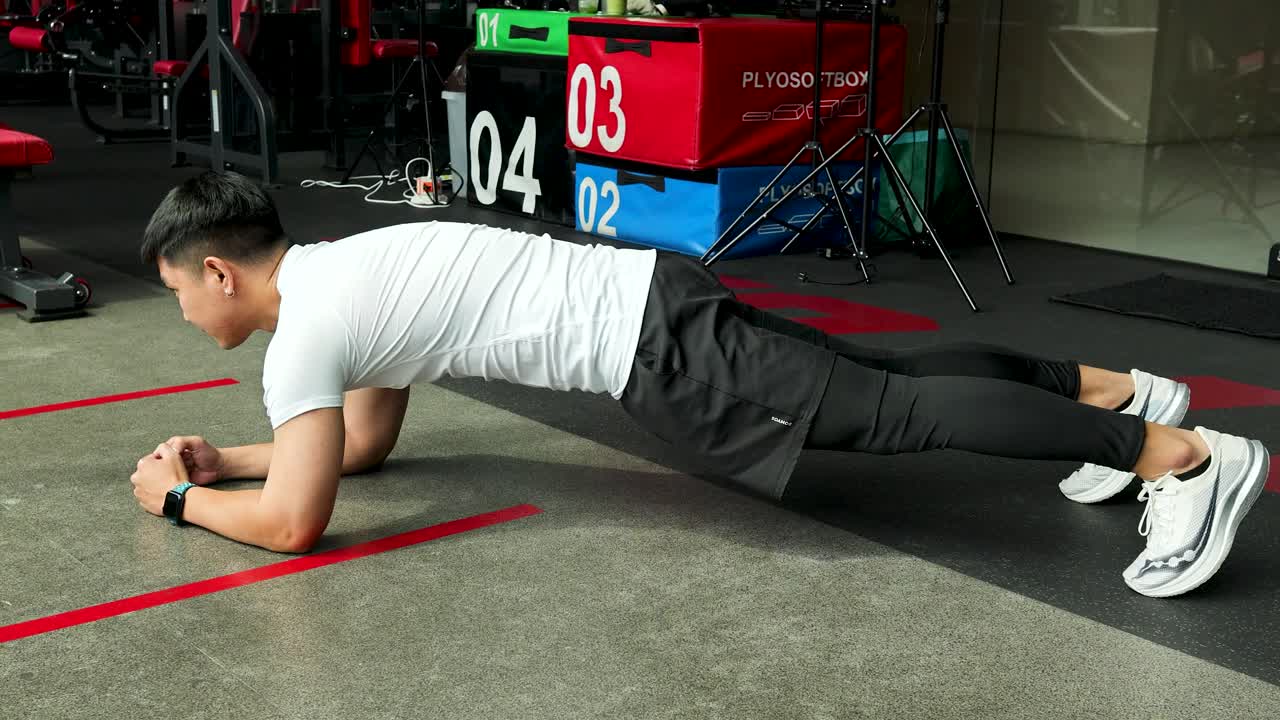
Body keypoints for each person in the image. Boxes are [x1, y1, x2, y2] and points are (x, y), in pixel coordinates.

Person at [130, 171, 1269, 599]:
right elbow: (361, 450)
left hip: (654, 350)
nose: (186, 314)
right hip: (653, 294)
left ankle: (1184, 462)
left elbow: (294, 526)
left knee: (894, 413)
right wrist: (227, 458)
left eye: (182, 292)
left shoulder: (302, 340)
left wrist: (178, 501)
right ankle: (1121, 394)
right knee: (885, 373)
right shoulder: (340, 271)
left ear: (219, 270)